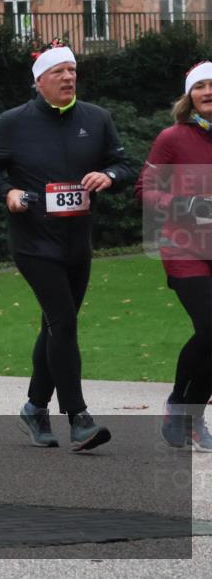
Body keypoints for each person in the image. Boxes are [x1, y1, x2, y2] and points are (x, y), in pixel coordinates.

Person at [0, 41, 134, 452]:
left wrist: (109, 176)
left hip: (77, 241)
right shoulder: (13, 122)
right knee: (63, 323)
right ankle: (79, 418)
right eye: (58, 72)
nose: (68, 77)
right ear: (39, 81)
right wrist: (8, 192)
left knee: (55, 325)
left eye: (72, 70)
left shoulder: (96, 119)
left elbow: (124, 165)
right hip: (33, 242)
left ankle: (34, 407)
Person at [135, 60, 212, 452]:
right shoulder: (172, 138)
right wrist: (185, 204)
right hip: (184, 246)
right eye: (200, 86)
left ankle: (189, 413)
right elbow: (144, 190)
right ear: (189, 97)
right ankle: (180, 406)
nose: (208, 92)